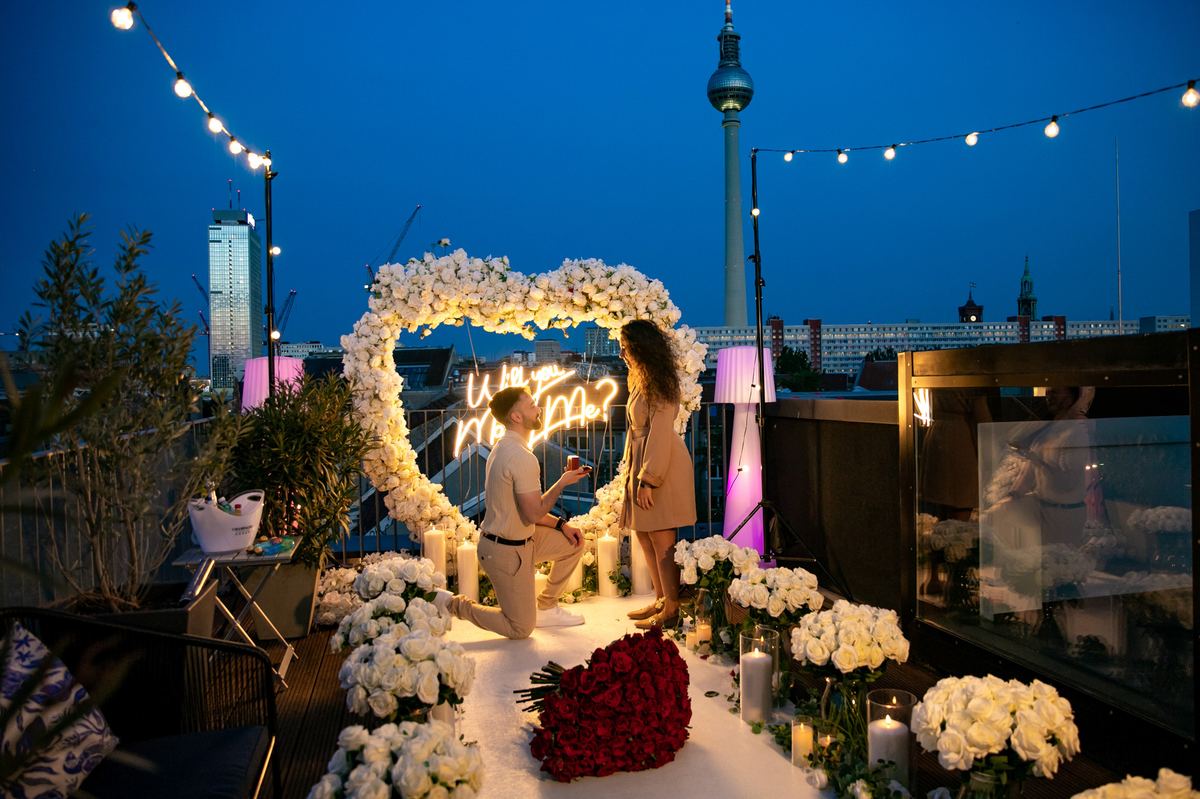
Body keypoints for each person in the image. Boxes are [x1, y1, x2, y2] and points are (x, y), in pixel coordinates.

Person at [441, 386, 592, 638]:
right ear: (516, 417)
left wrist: (562, 525)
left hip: (525, 541)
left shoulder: (505, 447)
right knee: (521, 628)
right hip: (506, 552)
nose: (539, 408)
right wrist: (563, 482)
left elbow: (527, 510)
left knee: (573, 543)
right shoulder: (520, 456)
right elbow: (533, 514)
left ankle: (547, 606)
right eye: (532, 405)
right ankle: (453, 605)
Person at [619, 320, 697, 629]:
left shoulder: (661, 382)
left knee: (662, 537)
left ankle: (673, 607)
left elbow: (661, 432)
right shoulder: (640, 378)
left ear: (641, 347)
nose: (622, 352)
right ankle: (662, 598)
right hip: (644, 460)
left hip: (661, 462)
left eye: (626, 346)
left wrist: (649, 479)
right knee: (644, 533)